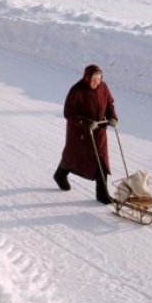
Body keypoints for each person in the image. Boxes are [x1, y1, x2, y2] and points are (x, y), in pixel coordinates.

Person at [53, 64, 118, 204]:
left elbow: (110, 105)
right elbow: (69, 113)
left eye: (99, 78)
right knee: (73, 159)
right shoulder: (76, 91)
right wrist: (87, 122)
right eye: (94, 79)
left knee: (102, 162)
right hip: (80, 134)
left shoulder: (104, 87)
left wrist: (112, 117)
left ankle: (102, 195)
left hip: (99, 132)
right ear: (87, 78)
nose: (97, 82)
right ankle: (60, 174)